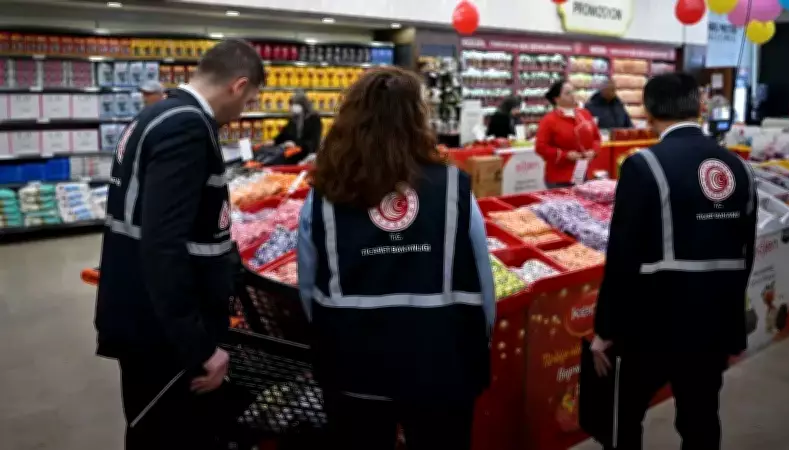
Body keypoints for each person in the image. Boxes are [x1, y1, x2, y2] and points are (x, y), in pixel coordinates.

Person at [297, 66, 495, 450]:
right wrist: (477, 341)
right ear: (417, 118)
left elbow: (308, 286)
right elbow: (483, 281)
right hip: (441, 362)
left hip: (353, 364)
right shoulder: (452, 186)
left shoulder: (323, 193)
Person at [94, 39, 264, 449]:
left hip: (140, 316)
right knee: (170, 435)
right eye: (249, 101)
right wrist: (200, 347)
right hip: (161, 335)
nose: (243, 112)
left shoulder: (155, 114)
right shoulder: (188, 127)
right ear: (237, 87)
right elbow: (163, 245)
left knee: (151, 430)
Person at [591, 73, 757, 450]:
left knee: (626, 416)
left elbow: (623, 257)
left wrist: (605, 329)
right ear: (700, 107)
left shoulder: (643, 165)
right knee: (700, 419)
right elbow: (744, 253)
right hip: (712, 323)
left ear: (648, 111)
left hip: (652, 322)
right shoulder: (738, 168)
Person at [535, 80, 601, 188]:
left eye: (573, 91)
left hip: (581, 170)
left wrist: (593, 151)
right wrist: (565, 155)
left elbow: (596, 138)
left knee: (580, 200)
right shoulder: (549, 120)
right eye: (567, 93)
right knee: (563, 203)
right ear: (556, 99)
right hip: (558, 176)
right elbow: (540, 147)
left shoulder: (585, 114)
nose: (572, 95)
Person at [273, 89, 322, 162]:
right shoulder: (294, 118)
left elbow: (313, 142)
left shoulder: (314, 119)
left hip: (307, 158)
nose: (291, 107)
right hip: (292, 156)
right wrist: (275, 141)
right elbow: (285, 133)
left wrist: (296, 144)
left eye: (293, 104)